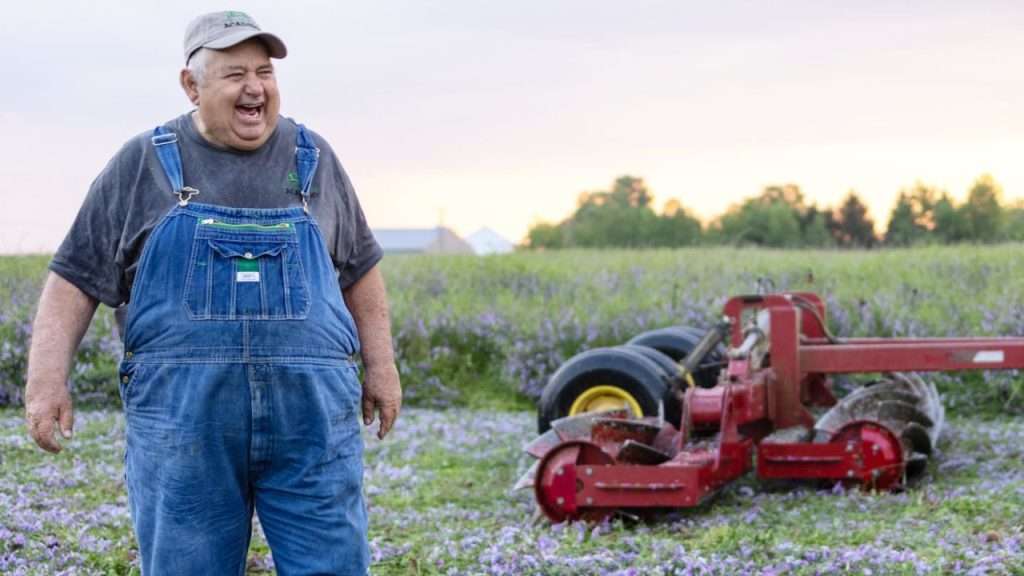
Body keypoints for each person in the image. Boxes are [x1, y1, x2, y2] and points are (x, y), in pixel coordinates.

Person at [23, 10, 401, 575]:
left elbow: (360, 269)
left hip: (310, 425)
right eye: (235, 74)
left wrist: (382, 364)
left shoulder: (313, 158)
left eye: (265, 72)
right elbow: (75, 277)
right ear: (191, 85)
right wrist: (45, 381)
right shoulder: (143, 163)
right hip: (185, 425)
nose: (255, 88)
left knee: (332, 565)